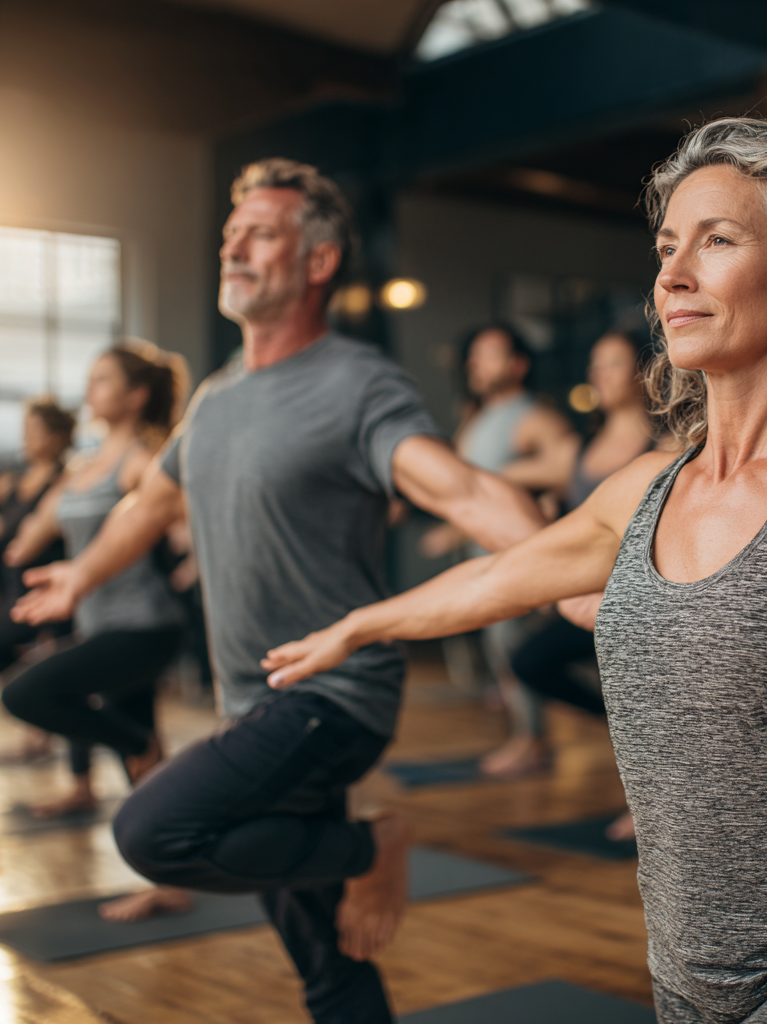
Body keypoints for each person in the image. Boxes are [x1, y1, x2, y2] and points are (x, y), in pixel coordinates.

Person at [259, 118, 767, 1022]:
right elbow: (496, 579)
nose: (672, 275)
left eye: (717, 241)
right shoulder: (642, 491)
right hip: (689, 979)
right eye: (666, 248)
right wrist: (360, 625)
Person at [13, 158, 543, 1024]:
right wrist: (82, 572)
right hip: (252, 702)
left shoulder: (357, 383)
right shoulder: (215, 399)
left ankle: (372, 843)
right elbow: (148, 507)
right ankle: (353, 886)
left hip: (332, 695)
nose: (234, 249)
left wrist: (574, 574)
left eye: (260, 234)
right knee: (328, 963)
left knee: (153, 832)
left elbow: (463, 490)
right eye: (232, 235)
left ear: (319, 260)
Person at [3, 345, 189, 840]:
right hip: (99, 623)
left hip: (144, 625)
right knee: (143, 771)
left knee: (27, 693)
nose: (90, 389)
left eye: (102, 379)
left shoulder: (141, 461)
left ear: (136, 395)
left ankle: (140, 748)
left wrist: (190, 557)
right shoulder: (82, 467)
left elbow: (180, 517)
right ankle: (170, 856)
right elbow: (29, 534)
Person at [496, 330, 656, 826]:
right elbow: (508, 478)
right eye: (595, 363)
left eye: (612, 363)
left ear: (643, 372)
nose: (597, 374)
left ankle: (650, 811)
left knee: (647, 696)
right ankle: (619, 726)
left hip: (642, 603)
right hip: (586, 597)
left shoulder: (667, 444)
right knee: (529, 661)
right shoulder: (579, 445)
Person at [421, 323, 574, 777]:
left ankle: (533, 742)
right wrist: (450, 530)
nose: (475, 362)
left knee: (516, 652)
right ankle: (525, 738)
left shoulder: (535, 417)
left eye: (488, 354)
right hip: (482, 558)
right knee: (501, 654)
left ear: (518, 365)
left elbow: (568, 467)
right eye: (474, 355)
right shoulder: (476, 420)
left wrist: (511, 476)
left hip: (519, 559)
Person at [0, 398, 76, 675]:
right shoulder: (11, 483)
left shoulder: (66, 482)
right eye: (25, 429)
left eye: (34, 430)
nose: (26, 437)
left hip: (37, 593)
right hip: (8, 591)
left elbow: (24, 547)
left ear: (56, 438)